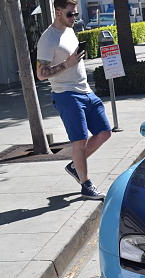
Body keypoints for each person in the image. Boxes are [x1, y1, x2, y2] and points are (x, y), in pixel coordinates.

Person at [36, 0, 111, 200]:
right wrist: (67, 64)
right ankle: (86, 185)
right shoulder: (47, 39)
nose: (74, 18)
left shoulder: (70, 30)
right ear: (58, 12)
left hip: (85, 90)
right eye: (71, 14)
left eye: (76, 14)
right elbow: (41, 74)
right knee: (80, 140)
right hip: (66, 94)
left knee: (104, 132)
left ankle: (74, 166)